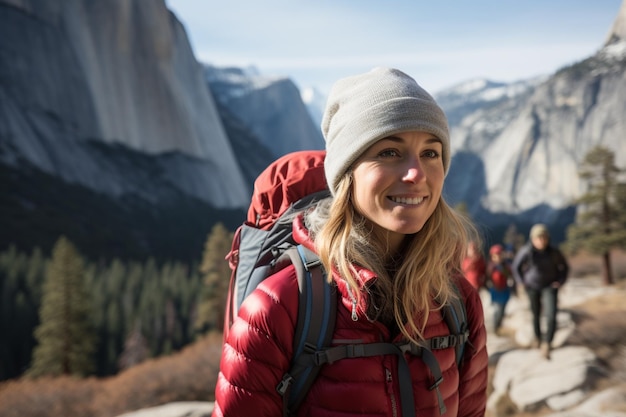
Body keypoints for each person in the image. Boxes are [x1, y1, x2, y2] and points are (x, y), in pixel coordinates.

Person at [212, 67, 488, 416]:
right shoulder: (281, 308)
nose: (416, 172)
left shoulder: (457, 301)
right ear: (347, 175)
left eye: (431, 153)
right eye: (389, 152)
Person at [512, 223, 569, 359]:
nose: (541, 240)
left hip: (550, 286)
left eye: (544, 237)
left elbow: (564, 267)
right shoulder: (526, 251)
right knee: (535, 314)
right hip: (532, 287)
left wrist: (560, 282)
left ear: (547, 238)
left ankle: (547, 343)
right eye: (538, 238)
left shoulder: (554, 252)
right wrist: (521, 282)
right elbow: (516, 267)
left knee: (551, 315)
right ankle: (538, 338)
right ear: (532, 239)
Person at [486, 244, 514, 334]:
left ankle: (498, 325)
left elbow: (511, 276)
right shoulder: (491, 267)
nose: (497, 257)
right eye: (495, 256)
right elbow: (487, 278)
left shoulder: (506, 266)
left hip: (505, 290)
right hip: (495, 291)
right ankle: (496, 326)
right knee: (497, 310)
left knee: (502, 310)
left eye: (499, 255)